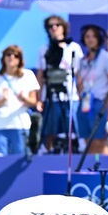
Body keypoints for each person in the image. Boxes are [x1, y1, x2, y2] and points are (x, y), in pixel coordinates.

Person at [36, 15, 83, 151]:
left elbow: (78, 74)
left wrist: (81, 95)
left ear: (63, 27)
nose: (54, 28)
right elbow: (40, 75)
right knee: (50, 131)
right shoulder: (44, 49)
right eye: (50, 26)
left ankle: (73, 154)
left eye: (57, 25)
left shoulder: (73, 47)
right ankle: (48, 155)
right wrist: (39, 99)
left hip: (70, 96)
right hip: (51, 96)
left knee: (72, 130)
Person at [0, 46, 39, 154]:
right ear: (3, 58)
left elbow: (33, 102)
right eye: (8, 54)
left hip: (21, 125)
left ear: (20, 59)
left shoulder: (28, 75)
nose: (11, 57)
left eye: (16, 55)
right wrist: (2, 100)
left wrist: (23, 98)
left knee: (21, 158)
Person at [76, 25, 108, 155]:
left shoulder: (105, 57)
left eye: (93, 36)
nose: (90, 39)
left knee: (100, 140)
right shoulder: (82, 60)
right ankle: (92, 168)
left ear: (99, 38)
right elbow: (79, 81)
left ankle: (105, 168)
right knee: (87, 140)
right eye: (87, 36)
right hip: (85, 103)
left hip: (99, 102)